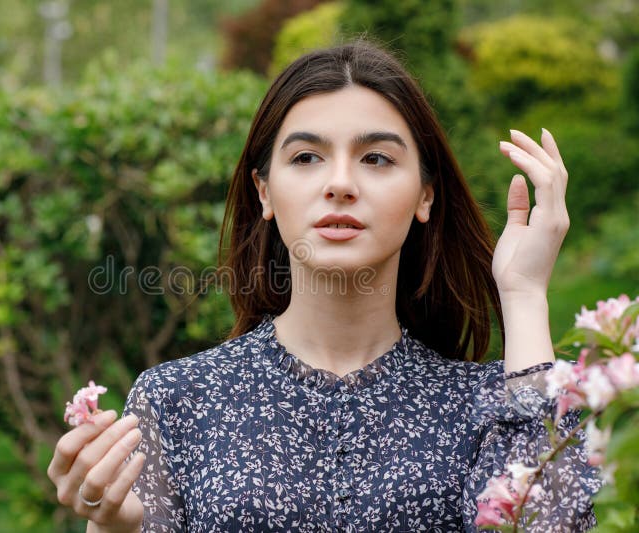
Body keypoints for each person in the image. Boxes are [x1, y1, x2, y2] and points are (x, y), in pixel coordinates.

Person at [47, 41, 601, 532]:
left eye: (376, 158)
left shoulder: (486, 405)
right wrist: (116, 528)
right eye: (307, 157)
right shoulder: (175, 402)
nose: (340, 183)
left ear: (424, 196)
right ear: (264, 191)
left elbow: (551, 523)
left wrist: (525, 295)